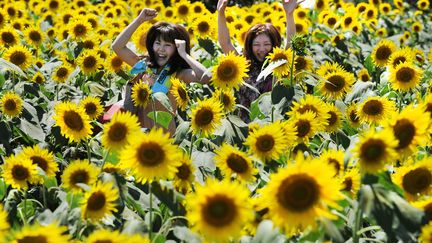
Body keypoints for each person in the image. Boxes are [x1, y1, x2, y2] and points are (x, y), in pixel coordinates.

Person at [111, 8, 210, 133]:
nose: (161, 49)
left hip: (163, 139)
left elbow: (206, 78)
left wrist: (184, 54)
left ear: (176, 49)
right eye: (157, 43)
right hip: (138, 135)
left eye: (168, 45)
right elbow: (117, 47)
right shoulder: (144, 66)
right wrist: (139, 20)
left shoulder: (178, 74)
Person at [217, 0, 299, 122]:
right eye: (256, 44)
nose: (262, 49)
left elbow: (290, 46)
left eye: (266, 44)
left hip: (274, 127)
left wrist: (289, 14)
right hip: (247, 129)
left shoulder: (278, 64)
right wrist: (221, 14)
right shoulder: (243, 64)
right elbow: (225, 43)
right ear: (249, 45)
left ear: (274, 44)